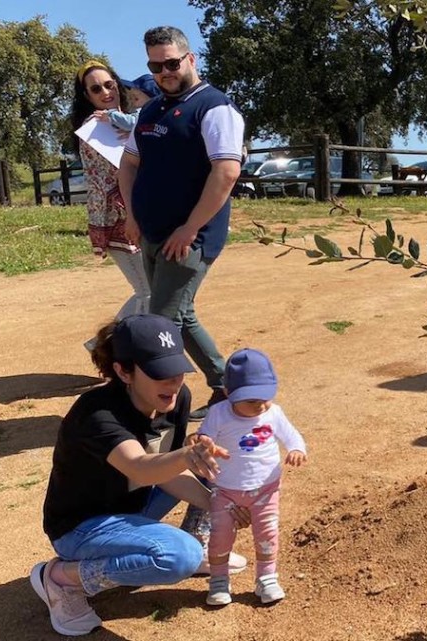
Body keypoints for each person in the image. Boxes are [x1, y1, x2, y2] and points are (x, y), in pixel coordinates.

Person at [32, 314, 250, 637]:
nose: (173, 382)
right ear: (124, 371)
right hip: (81, 529)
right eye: (160, 373)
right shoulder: (97, 415)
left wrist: (220, 504)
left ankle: (201, 545)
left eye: (177, 370)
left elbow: (164, 473)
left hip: (133, 503)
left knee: (217, 467)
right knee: (178, 557)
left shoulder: (175, 400)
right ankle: (61, 578)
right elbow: (140, 467)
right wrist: (186, 456)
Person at [118, 26, 245, 421]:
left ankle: (153, 410)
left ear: (191, 59)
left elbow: (225, 172)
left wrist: (190, 229)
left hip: (190, 238)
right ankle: (226, 387)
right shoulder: (152, 109)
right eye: (156, 66)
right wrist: (132, 215)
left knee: (161, 325)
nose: (164, 72)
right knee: (180, 314)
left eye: (172, 63)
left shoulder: (214, 107)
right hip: (153, 232)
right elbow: (129, 162)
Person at [199, 348, 307, 606]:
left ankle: (267, 578)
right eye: (251, 401)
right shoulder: (218, 413)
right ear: (227, 394)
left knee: (267, 533)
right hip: (225, 489)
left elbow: (292, 436)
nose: (260, 405)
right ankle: (218, 580)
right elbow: (203, 438)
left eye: (265, 398)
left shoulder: (273, 413)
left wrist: (296, 450)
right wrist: (206, 444)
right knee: (220, 535)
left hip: (266, 489)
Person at [70, 61, 152, 351]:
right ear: (87, 96)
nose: (105, 92)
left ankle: (106, 348)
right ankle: (107, 349)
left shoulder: (131, 120)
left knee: (150, 292)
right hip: (118, 220)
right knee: (149, 292)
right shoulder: (93, 130)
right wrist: (132, 217)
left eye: (109, 84)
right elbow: (113, 179)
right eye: (96, 88)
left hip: (142, 218)